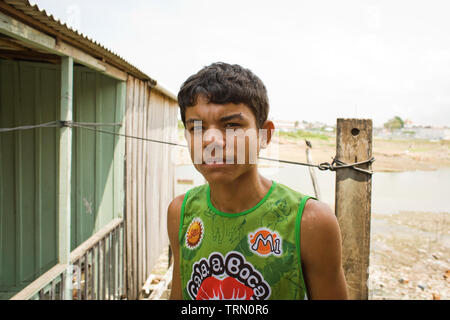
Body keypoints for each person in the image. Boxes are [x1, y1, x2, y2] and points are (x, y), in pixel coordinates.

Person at [167, 62, 348, 300]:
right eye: (196, 127)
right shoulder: (181, 212)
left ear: (265, 134)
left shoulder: (309, 222)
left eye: (231, 125)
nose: (211, 141)